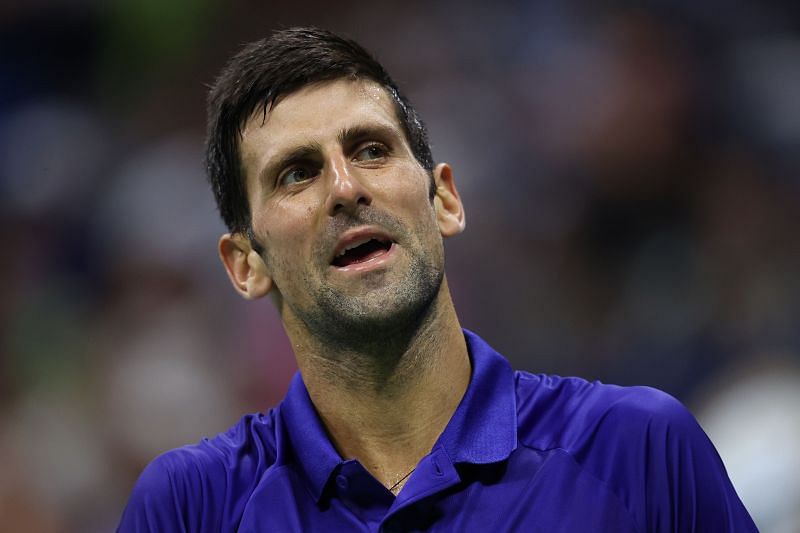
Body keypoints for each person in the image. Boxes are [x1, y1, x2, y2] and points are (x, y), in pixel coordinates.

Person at [117, 27, 757, 532]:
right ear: (246, 264)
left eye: (371, 149)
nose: (345, 188)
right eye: (296, 173)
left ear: (444, 199)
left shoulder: (637, 449)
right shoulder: (192, 506)